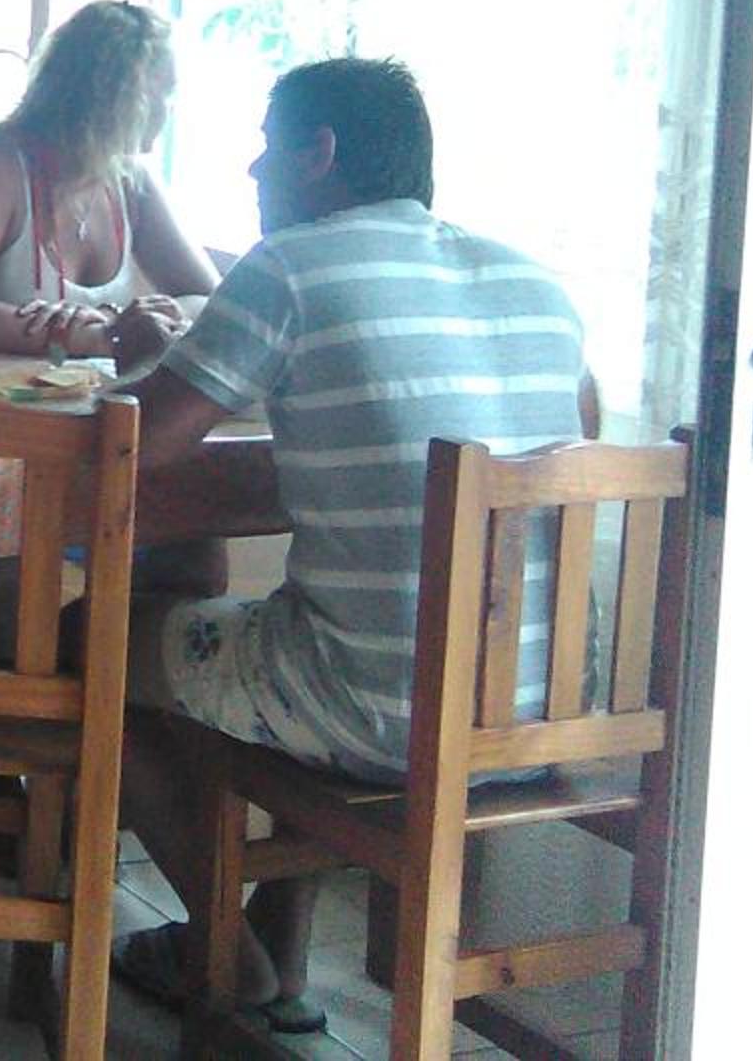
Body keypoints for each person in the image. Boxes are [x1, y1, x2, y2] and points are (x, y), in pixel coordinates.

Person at [99, 57, 595, 1033]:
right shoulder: (539, 283)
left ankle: (226, 951)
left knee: (99, 640)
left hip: (385, 716)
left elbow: (135, 449)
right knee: (313, 628)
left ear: (319, 152)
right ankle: (275, 946)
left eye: (267, 145)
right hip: (542, 710)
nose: (253, 169)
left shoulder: (291, 266)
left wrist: (144, 361)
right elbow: (578, 444)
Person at [0, 0, 220, 364]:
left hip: (77, 396)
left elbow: (212, 302)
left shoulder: (131, 181)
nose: (168, 109)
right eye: (165, 91)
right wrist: (95, 336)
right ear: (116, 95)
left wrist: (150, 317)